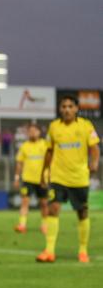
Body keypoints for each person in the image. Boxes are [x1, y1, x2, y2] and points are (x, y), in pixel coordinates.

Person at [36, 95, 100, 263]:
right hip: (58, 177)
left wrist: (94, 163)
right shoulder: (54, 127)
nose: (66, 109)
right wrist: (44, 173)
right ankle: (49, 251)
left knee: (82, 212)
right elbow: (49, 152)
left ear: (76, 108)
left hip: (79, 178)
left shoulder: (86, 126)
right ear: (60, 109)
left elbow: (94, 148)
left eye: (70, 106)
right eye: (63, 106)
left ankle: (83, 250)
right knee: (53, 209)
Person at [12, 123, 48, 234]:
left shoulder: (45, 145)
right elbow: (19, 163)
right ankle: (22, 225)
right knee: (25, 202)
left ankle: (45, 225)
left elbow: (51, 161)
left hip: (42, 180)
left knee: (44, 203)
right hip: (28, 180)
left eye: (34, 131)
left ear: (39, 132)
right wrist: (17, 178)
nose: (32, 133)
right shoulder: (24, 146)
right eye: (30, 131)